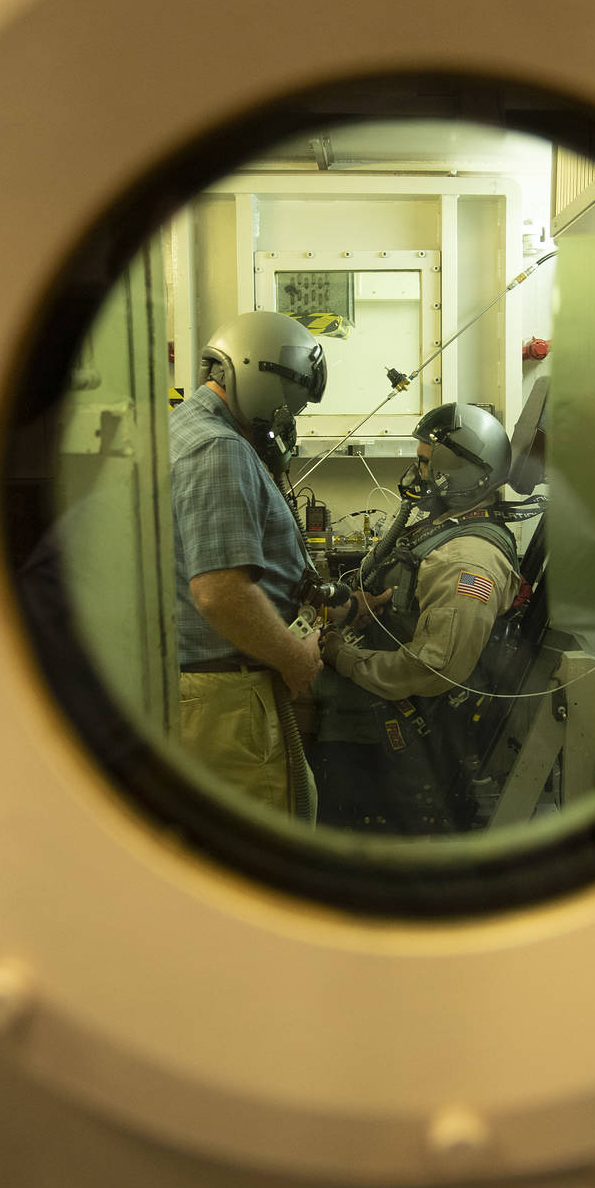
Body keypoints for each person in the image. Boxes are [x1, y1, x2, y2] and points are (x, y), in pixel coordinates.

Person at [311, 403, 520, 833]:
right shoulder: (446, 528)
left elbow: (430, 668)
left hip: (407, 727)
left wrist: (340, 655)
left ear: (456, 471)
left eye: (425, 462)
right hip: (393, 705)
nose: (416, 471)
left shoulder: (466, 562)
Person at [169, 310, 326, 816]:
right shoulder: (219, 448)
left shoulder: (187, 429)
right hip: (225, 697)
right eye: (290, 405)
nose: (289, 419)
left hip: (207, 691)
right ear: (262, 376)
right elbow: (221, 592)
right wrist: (293, 657)